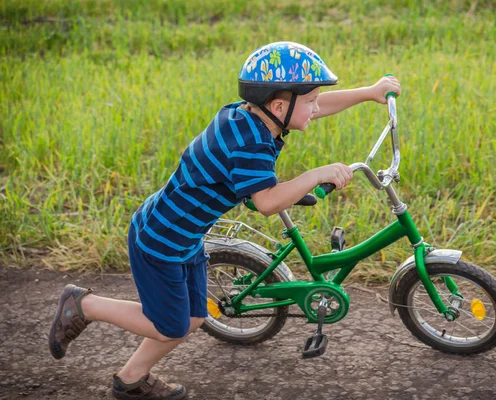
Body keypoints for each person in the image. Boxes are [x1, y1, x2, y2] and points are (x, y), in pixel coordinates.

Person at [48, 41, 400, 400]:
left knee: (194, 319)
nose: (316, 108)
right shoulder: (249, 144)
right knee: (168, 325)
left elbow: (310, 113)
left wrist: (369, 93)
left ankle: (131, 378)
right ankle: (84, 305)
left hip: (184, 236)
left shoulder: (248, 117)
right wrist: (315, 174)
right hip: (161, 241)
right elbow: (267, 202)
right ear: (279, 106)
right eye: (310, 102)